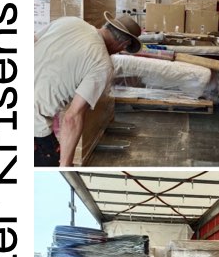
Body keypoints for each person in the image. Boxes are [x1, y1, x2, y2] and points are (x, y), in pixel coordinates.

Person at [34, 12, 142, 167]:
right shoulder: (102, 65)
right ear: (123, 44)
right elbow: (73, 117)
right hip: (34, 126)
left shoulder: (70, 21)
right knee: (51, 170)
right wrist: (65, 165)